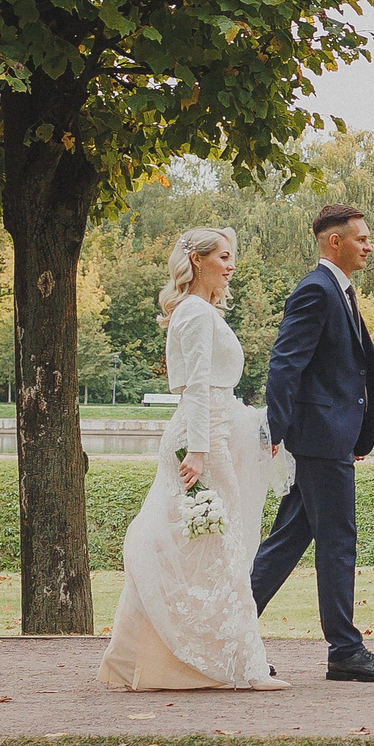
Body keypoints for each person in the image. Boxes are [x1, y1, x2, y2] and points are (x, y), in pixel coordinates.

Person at [98, 227, 292, 691]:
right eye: (223, 256)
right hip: (203, 439)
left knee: (204, 548)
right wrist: (202, 452)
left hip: (213, 432)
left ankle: (160, 658)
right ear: (198, 260)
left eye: (232, 257)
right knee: (219, 546)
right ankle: (244, 665)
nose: (231, 265)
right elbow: (199, 386)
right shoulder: (196, 314)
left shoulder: (199, 312)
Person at [253, 203, 374, 682]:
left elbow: (348, 369)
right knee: (338, 542)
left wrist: (358, 432)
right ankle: (345, 650)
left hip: (330, 437)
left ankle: (225, 627)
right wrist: (275, 431)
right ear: (333, 241)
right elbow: (285, 363)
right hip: (318, 440)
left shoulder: (338, 291)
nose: (369, 245)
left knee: (286, 541)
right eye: (361, 238)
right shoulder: (316, 290)